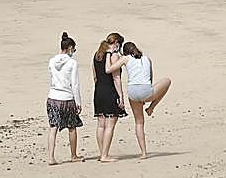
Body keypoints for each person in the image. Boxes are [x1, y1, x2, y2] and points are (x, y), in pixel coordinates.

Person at [107, 41, 172, 160]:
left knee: (139, 122)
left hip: (132, 92)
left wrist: (109, 54)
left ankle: (143, 152)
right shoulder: (147, 59)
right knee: (167, 81)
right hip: (146, 90)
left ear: (125, 52)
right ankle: (151, 107)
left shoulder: (125, 59)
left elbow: (110, 69)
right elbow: (150, 78)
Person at [46, 32, 84, 165]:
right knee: (72, 127)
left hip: (53, 97)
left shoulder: (51, 61)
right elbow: (75, 84)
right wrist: (78, 102)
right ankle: (73, 155)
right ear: (69, 48)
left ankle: (51, 157)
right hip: (67, 98)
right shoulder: (72, 63)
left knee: (53, 127)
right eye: (73, 49)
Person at [92, 32, 127, 163]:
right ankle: (105, 155)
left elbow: (94, 76)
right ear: (117, 43)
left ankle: (102, 153)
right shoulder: (114, 56)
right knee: (110, 125)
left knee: (101, 124)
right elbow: (116, 78)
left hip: (98, 91)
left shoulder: (97, 55)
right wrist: (121, 97)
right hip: (110, 91)